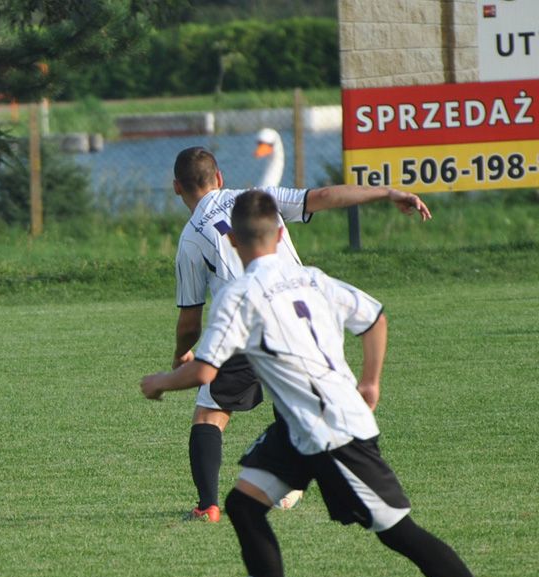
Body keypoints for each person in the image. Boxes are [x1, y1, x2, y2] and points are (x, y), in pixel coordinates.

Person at [141, 189, 527, 577]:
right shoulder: (312, 277)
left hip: (332, 430)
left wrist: (158, 382)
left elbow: (204, 371)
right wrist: (371, 382)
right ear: (280, 234)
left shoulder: (238, 294)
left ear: (235, 243)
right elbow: (374, 317)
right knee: (244, 504)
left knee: (396, 531)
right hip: (299, 427)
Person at [171, 146, 433, 522]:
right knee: (299, 400)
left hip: (245, 323)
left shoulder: (190, 239)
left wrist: (181, 354)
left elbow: (189, 322)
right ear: (220, 178)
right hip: (298, 316)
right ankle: (300, 481)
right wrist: (387, 193)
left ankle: (209, 506)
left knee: (210, 414)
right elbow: (324, 196)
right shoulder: (258, 199)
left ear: (177, 187)